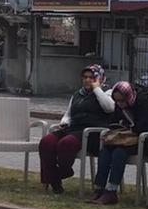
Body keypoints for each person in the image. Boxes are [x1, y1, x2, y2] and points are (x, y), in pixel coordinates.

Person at [37, 64, 115, 193]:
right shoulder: (77, 94)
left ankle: (60, 173)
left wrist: (97, 89)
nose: (88, 80)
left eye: (92, 77)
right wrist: (65, 122)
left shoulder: (107, 92)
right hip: (74, 128)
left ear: (101, 78)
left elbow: (110, 108)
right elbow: (69, 113)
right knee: (47, 142)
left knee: (66, 143)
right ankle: (55, 181)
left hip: (92, 132)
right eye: (85, 77)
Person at [88, 80, 148, 205]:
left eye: (122, 101)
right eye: (117, 101)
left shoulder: (143, 101)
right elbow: (114, 121)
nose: (120, 104)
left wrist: (130, 128)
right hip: (123, 139)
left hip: (142, 141)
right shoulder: (119, 105)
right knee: (105, 151)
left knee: (119, 153)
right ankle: (99, 187)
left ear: (129, 96)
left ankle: (112, 190)